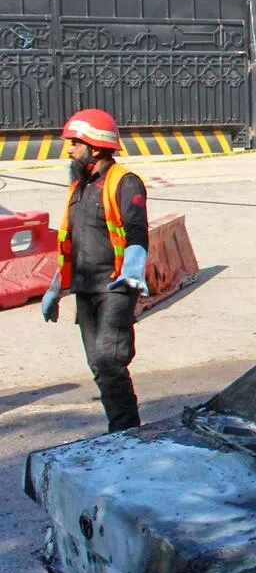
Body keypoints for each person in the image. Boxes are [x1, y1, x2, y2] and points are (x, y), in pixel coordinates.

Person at [41, 110, 150, 433]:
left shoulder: (125, 182)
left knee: (109, 358)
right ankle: (120, 429)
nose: (70, 149)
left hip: (116, 286)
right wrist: (55, 289)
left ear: (97, 146)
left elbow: (136, 230)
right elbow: (71, 243)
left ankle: (125, 432)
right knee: (99, 367)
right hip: (85, 289)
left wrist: (132, 270)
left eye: (75, 143)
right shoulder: (79, 187)